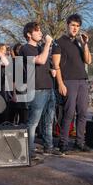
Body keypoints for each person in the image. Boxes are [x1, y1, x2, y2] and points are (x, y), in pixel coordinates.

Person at [53, 14, 93, 154]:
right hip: (68, 81)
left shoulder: (79, 43)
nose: (75, 28)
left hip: (82, 81)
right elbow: (55, 65)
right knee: (69, 113)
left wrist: (85, 44)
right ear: (67, 25)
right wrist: (60, 83)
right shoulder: (59, 42)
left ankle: (79, 142)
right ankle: (63, 143)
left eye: (77, 26)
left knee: (83, 113)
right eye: (73, 25)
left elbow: (88, 61)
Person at [20, 22, 61, 159]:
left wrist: (52, 70)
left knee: (48, 120)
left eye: (40, 31)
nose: (41, 33)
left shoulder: (40, 48)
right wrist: (48, 44)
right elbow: (41, 60)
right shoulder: (25, 49)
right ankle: (29, 150)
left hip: (49, 87)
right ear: (29, 34)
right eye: (37, 31)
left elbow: (45, 64)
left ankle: (48, 147)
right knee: (33, 122)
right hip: (36, 89)